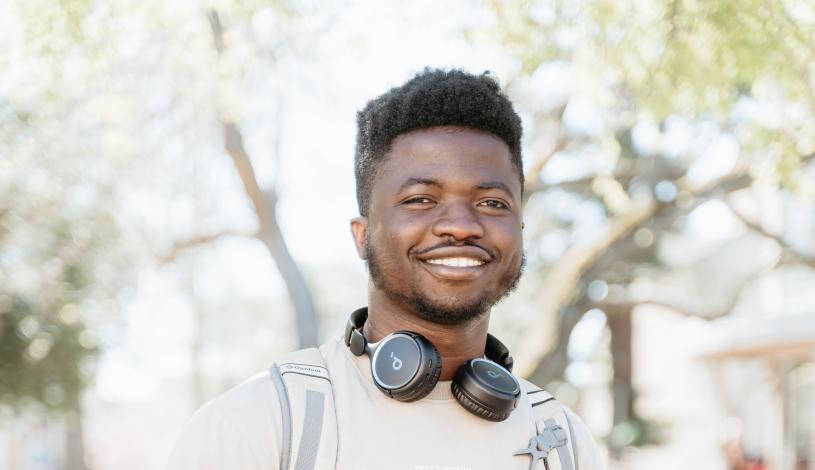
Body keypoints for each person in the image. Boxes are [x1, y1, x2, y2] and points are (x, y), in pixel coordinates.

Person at [167, 68, 604, 469]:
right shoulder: (262, 424)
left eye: (492, 203)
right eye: (420, 200)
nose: (460, 226)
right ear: (362, 235)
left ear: (520, 230)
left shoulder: (564, 444)